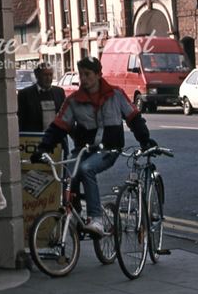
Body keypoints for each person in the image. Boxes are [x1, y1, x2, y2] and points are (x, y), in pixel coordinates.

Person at [35, 56, 157, 237]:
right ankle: (74, 213)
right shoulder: (74, 100)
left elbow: (134, 118)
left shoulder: (115, 94)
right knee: (66, 173)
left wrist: (145, 140)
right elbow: (59, 126)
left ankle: (96, 218)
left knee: (86, 169)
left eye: (87, 74)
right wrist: (43, 147)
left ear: (99, 74)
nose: (83, 78)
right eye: (81, 74)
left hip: (109, 149)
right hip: (84, 150)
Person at [17, 62, 66, 133]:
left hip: (56, 137)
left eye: (50, 75)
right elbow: (21, 120)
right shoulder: (25, 94)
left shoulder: (59, 92)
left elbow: (65, 116)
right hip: (34, 138)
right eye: (45, 75)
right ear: (37, 75)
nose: (48, 78)